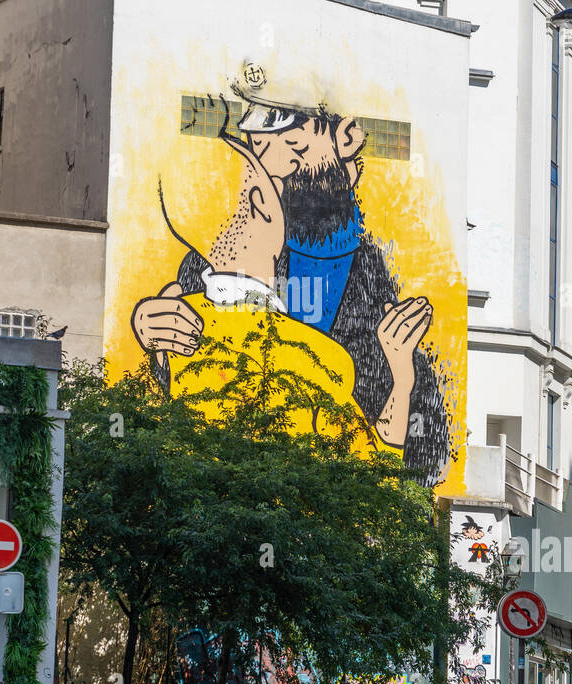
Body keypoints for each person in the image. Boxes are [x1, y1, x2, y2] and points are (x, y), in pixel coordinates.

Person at [132, 74, 450, 480]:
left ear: (347, 138)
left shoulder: (387, 271)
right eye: (260, 147)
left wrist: (404, 377)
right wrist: (149, 329)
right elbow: (184, 384)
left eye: (295, 145)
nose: (276, 165)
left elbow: (427, 452)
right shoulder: (218, 258)